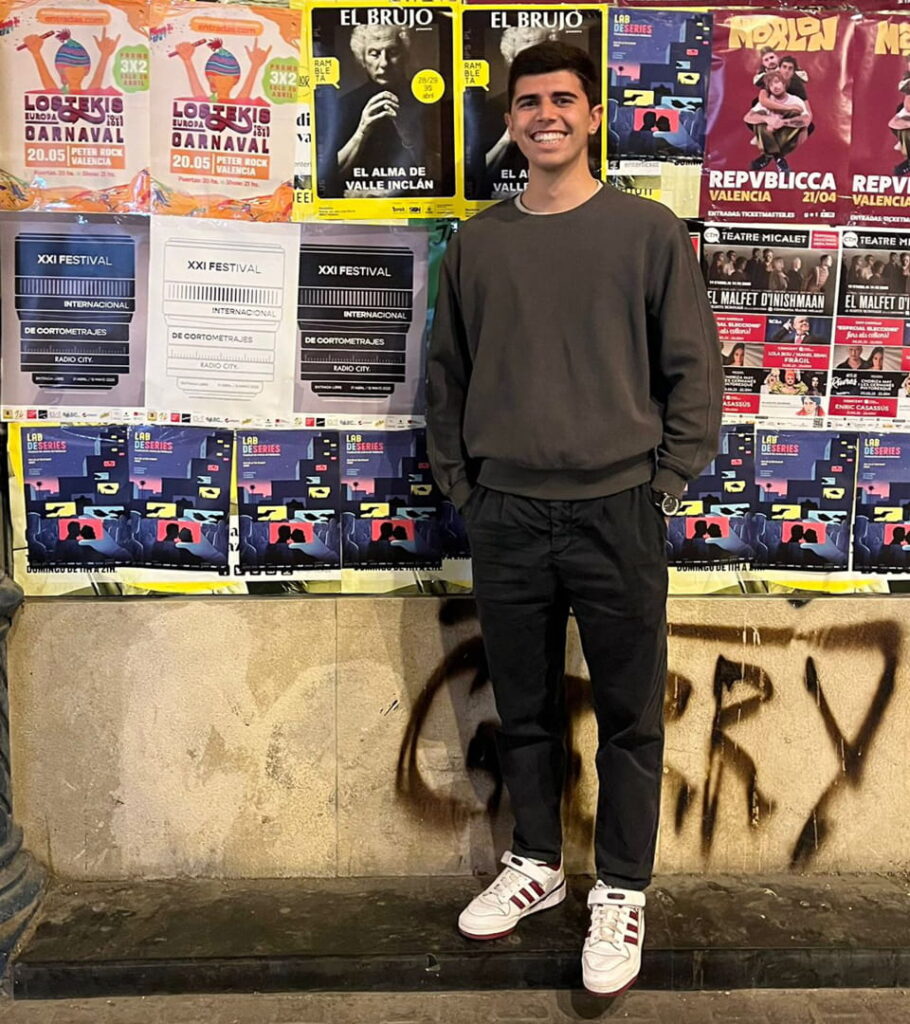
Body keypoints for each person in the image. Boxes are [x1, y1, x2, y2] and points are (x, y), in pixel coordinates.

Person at [426, 41, 722, 998]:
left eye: (563, 99)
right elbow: (448, 382)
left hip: (618, 513)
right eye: (527, 102)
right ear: (510, 120)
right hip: (507, 516)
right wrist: (468, 492)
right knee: (525, 709)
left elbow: (693, 376)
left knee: (633, 716)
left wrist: (663, 485)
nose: (544, 114)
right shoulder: (476, 244)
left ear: (594, 116)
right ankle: (540, 864)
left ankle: (623, 889)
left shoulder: (647, 234)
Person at [322, 23, 442, 198]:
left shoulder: (428, 101)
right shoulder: (344, 105)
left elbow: (442, 176)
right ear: (362, 59)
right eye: (374, 54)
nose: (384, 63)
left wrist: (408, 134)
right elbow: (325, 180)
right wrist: (362, 132)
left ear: (405, 55)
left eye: (392, 52)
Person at [743, 70, 812, 173]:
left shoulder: (796, 100)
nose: (775, 86)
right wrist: (767, 119)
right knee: (760, 116)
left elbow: (806, 121)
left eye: (777, 82)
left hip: (786, 139)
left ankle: (767, 156)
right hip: (768, 135)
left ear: (784, 84)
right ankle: (778, 158)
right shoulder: (767, 102)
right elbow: (747, 117)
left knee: (795, 114)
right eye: (771, 85)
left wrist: (783, 122)